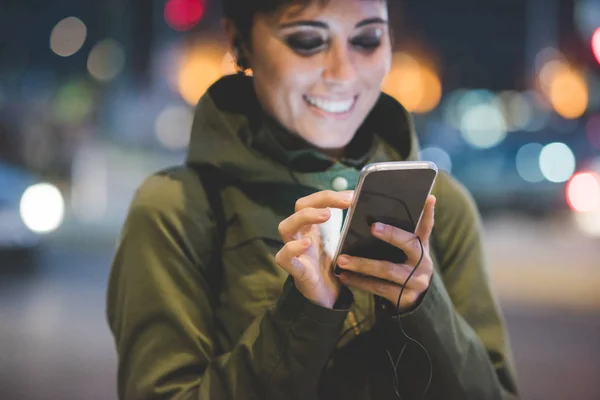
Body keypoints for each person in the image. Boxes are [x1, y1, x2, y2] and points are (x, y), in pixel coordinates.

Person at [106, 0, 520, 398]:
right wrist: (305, 314)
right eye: (307, 41)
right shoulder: (175, 208)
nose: (342, 72)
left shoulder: (440, 204)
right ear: (240, 41)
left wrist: (419, 306)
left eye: (368, 39)